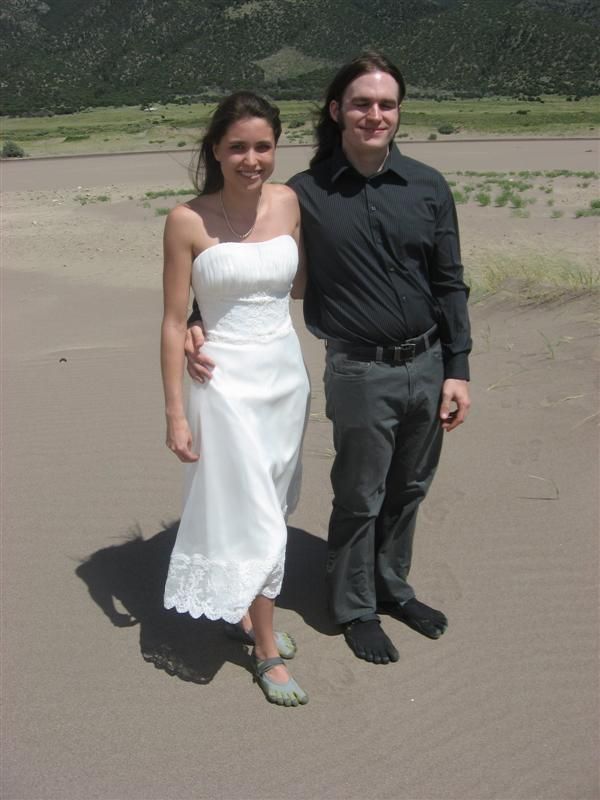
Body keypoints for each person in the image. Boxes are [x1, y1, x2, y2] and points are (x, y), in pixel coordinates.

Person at [186, 54, 472, 666]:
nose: (376, 115)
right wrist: (194, 317)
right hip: (359, 369)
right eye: (362, 103)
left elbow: (450, 283)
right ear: (337, 110)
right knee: (361, 492)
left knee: (411, 488)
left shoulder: (427, 186)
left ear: (398, 112)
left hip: (428, 361)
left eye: (387, 104)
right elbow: (240, 262)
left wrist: (459, 368)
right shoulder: (304, 196)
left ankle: (393, 588)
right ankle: (354, 607)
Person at [160, 91, 310, 705]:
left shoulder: (290, 202)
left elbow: (295, 284)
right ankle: (267, 651)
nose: (253, 159)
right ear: (216, 151)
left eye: (264, 146)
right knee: (253, 513)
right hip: (220, 384)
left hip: (285, 378)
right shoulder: (186, 220)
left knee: (271, 505)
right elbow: (173, 320)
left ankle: (249, 611)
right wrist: (174, 412)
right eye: (238, 147)